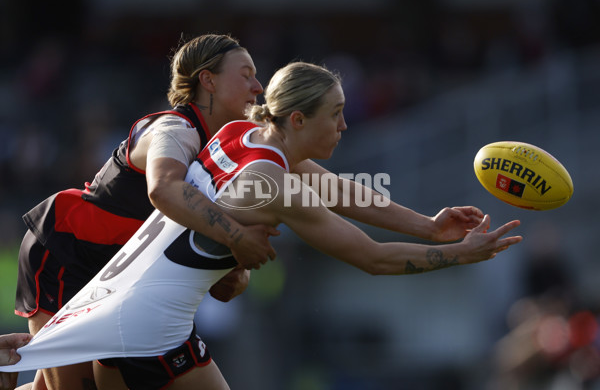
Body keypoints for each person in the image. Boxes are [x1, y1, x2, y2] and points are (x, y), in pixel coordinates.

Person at [2, 61, 523, 389]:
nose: (345, 125)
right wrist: (464, 254)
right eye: (335, 114)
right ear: (297, 121)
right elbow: (373, 259)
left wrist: (430, 227)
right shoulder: (275, 186)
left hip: (115, 304)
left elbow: (340, 190)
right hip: (147, 330)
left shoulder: (238, 133)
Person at [14, 33, 279, 390]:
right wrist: (237, 238)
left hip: (123, 276)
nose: (258, 86)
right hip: (66, 249)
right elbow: (163, 189)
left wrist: (235, 267)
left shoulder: (227, 154)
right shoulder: (174, 128)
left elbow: (224, 280)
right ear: (208, 80)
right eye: (246, 74)